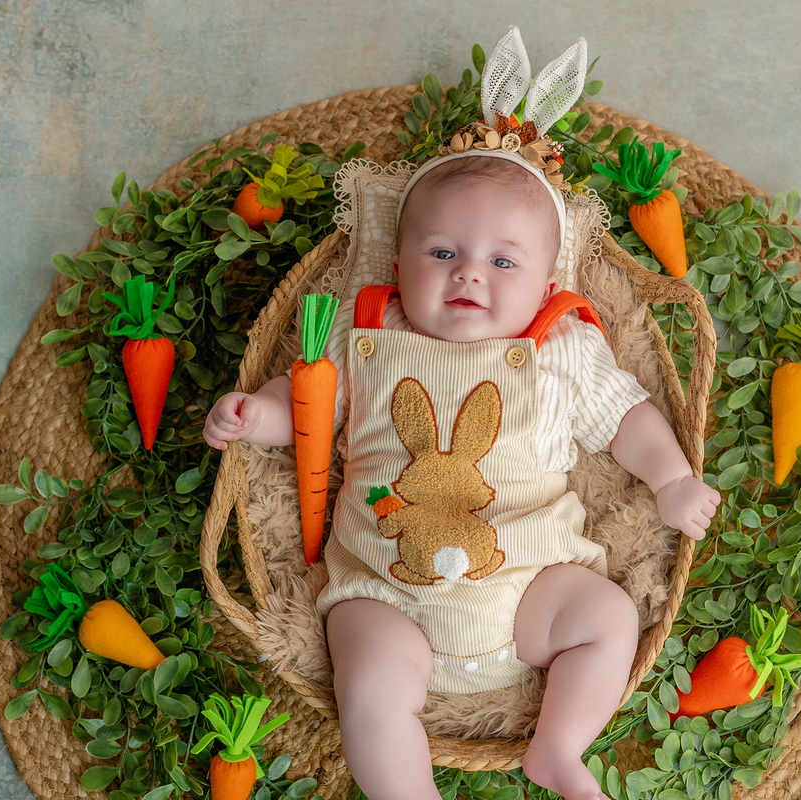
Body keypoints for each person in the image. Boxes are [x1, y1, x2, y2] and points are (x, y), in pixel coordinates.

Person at [202, 145, 719, 799]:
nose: (469, 275)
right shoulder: (363, 332)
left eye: (503, 261)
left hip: (531, 585)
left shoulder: (557, 347)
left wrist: (671, 480)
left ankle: (557, 747)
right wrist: (256, 415)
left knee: (609, 619)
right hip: (386, 592)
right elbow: (307, 403)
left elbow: (626, 417)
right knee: (370, 691)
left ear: (546, 289)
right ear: (397, 267)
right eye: (442, 253)